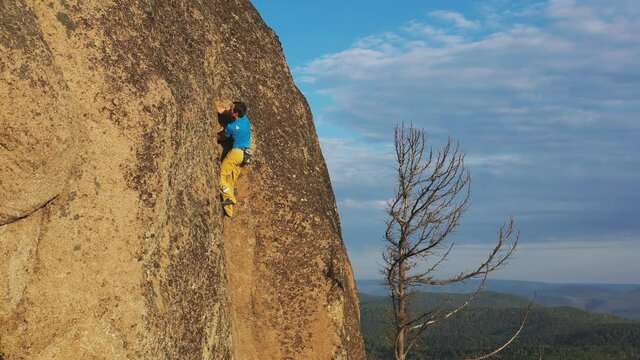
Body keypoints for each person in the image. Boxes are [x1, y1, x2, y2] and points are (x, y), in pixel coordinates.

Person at [217, 101, 251, 217]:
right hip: (246, 154)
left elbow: (222, 137)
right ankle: (229, 210)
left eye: (231, 109)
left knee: (220, 177)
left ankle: (231, 198)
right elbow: (228, 113)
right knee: (230, 181)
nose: (229, 109)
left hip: (236, 154)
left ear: (236, 113)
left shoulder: (231, 127)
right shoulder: (245, 119)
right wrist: (220, 110)